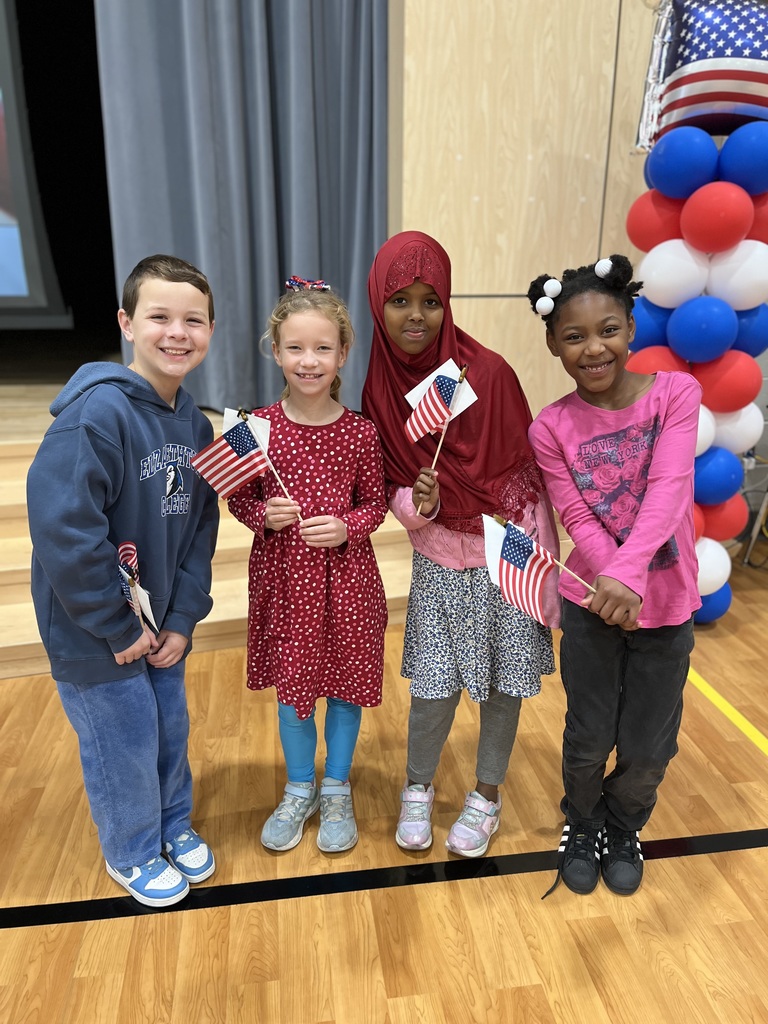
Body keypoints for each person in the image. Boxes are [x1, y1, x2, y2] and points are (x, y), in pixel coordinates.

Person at [27, 255, 219, 907]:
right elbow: (65, 532)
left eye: (193, 320)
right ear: (127, 323)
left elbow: (199, 530)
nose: (176, 332)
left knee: (167, 724)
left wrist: (182, 618)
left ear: (211, 332)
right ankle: (132, 849)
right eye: (159, 316)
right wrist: (115, 624)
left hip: (159, 621)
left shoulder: (195, 423)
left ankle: (170, 823)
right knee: (124, 737)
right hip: (94, 631)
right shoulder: (96, 416)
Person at [362, 231, 559, 858]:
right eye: (400, 300)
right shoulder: (378, 390)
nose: (416, 315)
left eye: (431, 300)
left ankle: (487, 795)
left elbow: (526, 482)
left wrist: (541, 575)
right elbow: (388, 486)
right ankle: (417, 786)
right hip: (441, 561)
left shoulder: (489, 373)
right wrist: (416, 505)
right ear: (377, 304)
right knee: (433, 688)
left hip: (508, 557)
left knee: (504, 688)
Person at [526, 254, 701, 896]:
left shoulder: (676, 394)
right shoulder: (550, 426)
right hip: (592, 605)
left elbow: (669, 489)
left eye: (607, 329)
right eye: (574, 336)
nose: (593, 347)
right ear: (553, 344)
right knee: (588, 735)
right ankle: (582, 819)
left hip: (667, 603)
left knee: (650, 746)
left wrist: (629, 577)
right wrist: (614, 582)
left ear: (630, 327)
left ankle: (624, 824)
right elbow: (575, 513)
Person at [228, 282, 388, 854]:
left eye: (322, 348)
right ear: (275, 351)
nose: (308, 361)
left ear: (343, 353)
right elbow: (238, 497)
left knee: (344, 689)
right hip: (286, 581)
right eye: (295, 348)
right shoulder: (256, 429)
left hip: (347, 581)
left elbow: (376, 501)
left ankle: (337, 786)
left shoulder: (361, 431)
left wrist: (351, 526)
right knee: (294, 691)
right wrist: (262, 515)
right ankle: (300, 787)